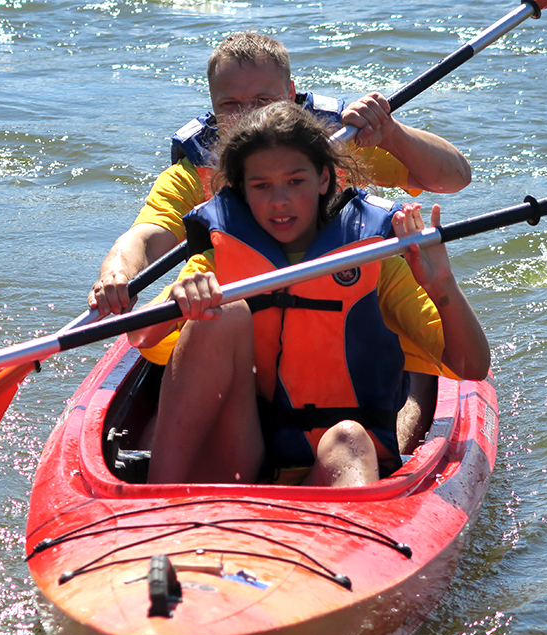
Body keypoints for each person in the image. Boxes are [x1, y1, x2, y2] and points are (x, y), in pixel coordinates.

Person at [129, 102, 489, 487]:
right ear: (241, 190)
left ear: (323, 179)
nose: (279, 200)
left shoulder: (373, 257)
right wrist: (180, 300)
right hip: (247, 459)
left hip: (338, 464)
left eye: (295, 181)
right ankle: (158, 499)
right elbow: (141, 336)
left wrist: (441, 284)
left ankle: (346, 520)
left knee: (349, 437)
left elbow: (471, 367)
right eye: (261, 186)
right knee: (223, 312)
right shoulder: (220, 257)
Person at [88, 31, 472, 319]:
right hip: (244, 308)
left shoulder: (334, 144)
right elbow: (147, 237)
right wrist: (117, 274)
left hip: (343, 297)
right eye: (231, 104)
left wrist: (391, 133)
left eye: (263, 100)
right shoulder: (195, 170)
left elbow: (453, 178)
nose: (248, 116)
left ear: (290, 94)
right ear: (213, 106)